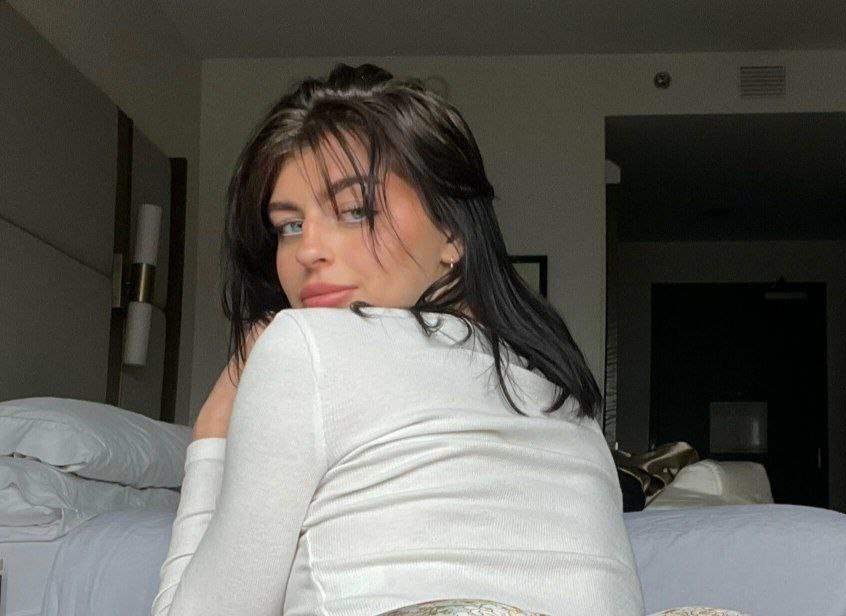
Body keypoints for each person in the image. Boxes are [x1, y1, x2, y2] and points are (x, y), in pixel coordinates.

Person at [151, 63, 645, 616]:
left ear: (451, 229)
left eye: (354, 210)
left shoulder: (303, 349)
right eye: (289, 225)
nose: (307, 250)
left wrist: (211, 437)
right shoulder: (570, 405)